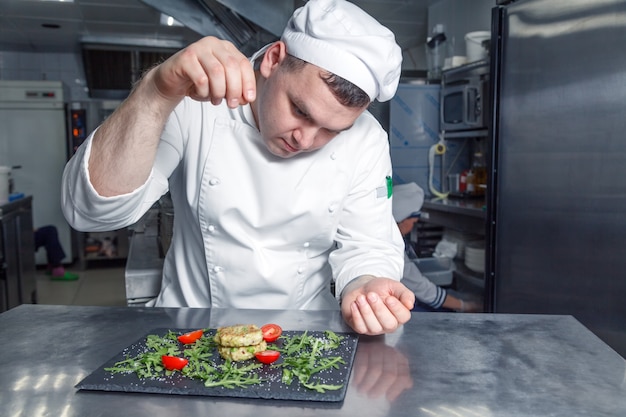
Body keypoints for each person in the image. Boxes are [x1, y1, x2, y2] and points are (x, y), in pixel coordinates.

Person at [61, 0, 415, 335]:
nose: (305, 140)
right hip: (193, 331)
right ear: (274, 59)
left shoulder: (366, 138)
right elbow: (92, 213)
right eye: (301, 111)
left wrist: (366, 284)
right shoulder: (196, 100)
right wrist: (156, 93)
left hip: (302, 337)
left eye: (331, 131)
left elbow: (369, 245)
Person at [392, 183, 480, 313]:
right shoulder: (392, 248)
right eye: (413, 223)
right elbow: (420, 288)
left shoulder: (387, 237)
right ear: (403, 219)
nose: (412, 228)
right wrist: (463, 305)